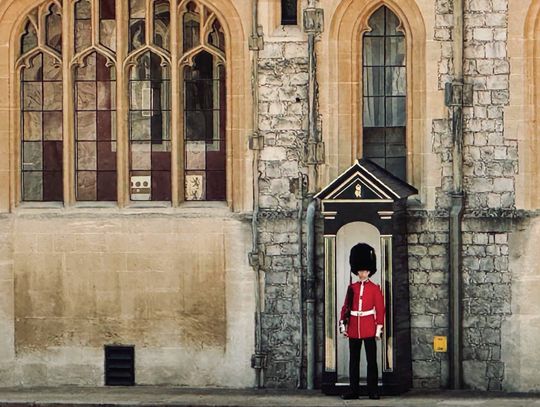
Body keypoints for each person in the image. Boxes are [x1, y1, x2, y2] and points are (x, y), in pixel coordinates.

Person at [339, 243, 385, 400]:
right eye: (360, 271)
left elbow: (380, 309)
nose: (362, 274)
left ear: (369, 271)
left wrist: (378, 328)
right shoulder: (352, 287)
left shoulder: (375, 288)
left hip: (368, 327)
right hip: (353, 327)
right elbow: (346, 307)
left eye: (365, 271)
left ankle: (373, 390)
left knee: (372, 361)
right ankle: (354, 390)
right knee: (354, 361)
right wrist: (343, 325)